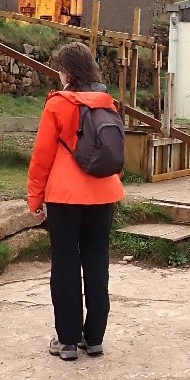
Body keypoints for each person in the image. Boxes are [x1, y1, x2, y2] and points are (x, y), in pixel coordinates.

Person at [28, 42, 124, 361]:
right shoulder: (107, 103)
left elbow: (42, 156)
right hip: (104, 193)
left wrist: (34, 198)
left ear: (66, 71)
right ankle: (94, 338)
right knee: (97, 262)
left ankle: (68, 341)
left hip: (64, 196)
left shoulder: (57, 104)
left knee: (66, 263)